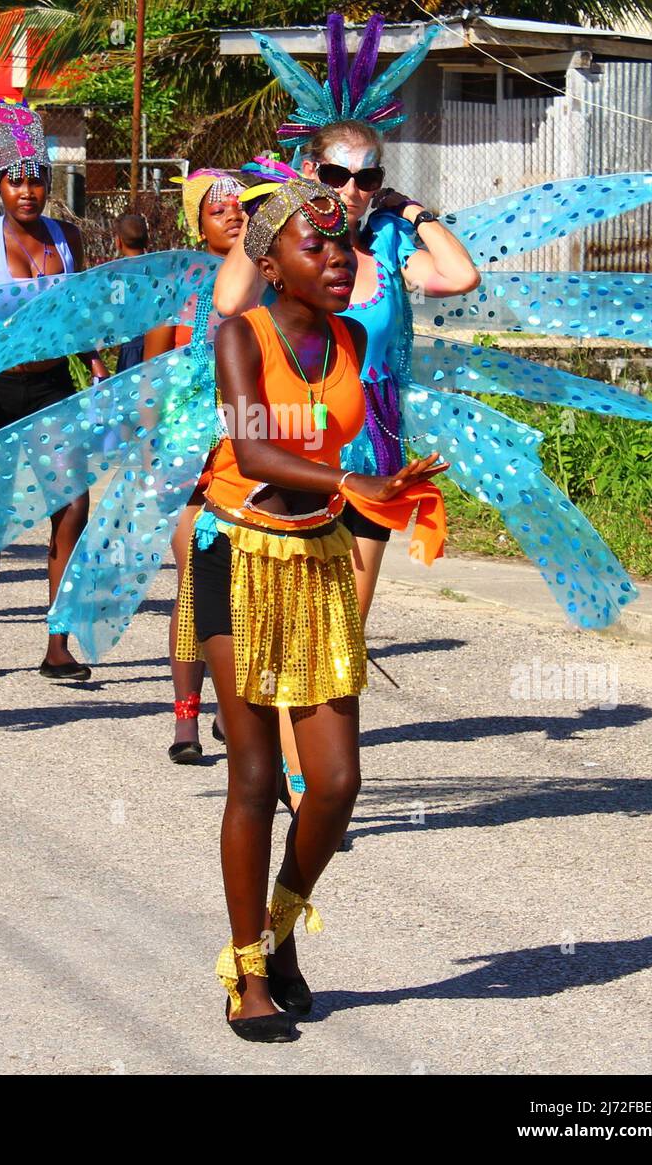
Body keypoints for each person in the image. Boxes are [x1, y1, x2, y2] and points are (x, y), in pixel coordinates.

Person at [176, 172, 448, 1039]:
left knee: (333, 784)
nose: (338, 259)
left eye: (344, 245)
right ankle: (246, 972)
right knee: (255, 775)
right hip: (236, 554)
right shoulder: (239, 337)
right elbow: (253, 448)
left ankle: (284, 929)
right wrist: (349, 476)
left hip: (319, 555)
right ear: (274, 263)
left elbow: (346, 443)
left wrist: (393, 485)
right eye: (316, 246)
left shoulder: (348, 341)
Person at [214, 16, 479, 797]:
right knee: (298, 622)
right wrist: (273, 217)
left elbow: (461, 279)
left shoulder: (394, 246)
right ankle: (287, 772)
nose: (352, 193)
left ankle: (312, 778)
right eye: (335, 176)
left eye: (367, 178)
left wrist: (418, 211)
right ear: (310, 172)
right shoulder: (292, 250)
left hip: (376, 457)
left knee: (341, 628)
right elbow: (230, 303)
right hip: (298, 452)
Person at [0, 102, 107, 679]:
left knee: (73, 502)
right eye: (16, 180)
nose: (28, 191)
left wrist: (94, 361)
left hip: (53, 385)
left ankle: (57, 640)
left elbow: (81, 312)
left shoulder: (69, 239)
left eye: (37, 178)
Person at [158, 170, 246, 764]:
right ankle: (186, 718)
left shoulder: (267, 279)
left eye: (241, 208)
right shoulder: (179, 284)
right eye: (219, 211)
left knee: (245, 586)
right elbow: (152, 374)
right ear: (198, 221)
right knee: (196, 583)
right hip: (191, 449)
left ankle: (230, 710)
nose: (234, 217)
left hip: (252, 445)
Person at [113, 215, 150, 373]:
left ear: (118, 241)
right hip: (162, 346)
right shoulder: (162, 269)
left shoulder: (118, 276)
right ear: (148, 240)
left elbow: (117, 311)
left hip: (131, 345)